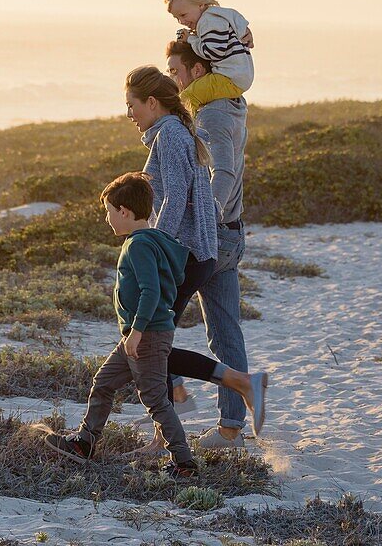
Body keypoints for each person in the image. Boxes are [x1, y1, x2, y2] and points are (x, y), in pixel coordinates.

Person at [124, 66, 267, 441]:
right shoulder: (175, 131)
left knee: (149, 341)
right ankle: (218, 417)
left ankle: (173, 414)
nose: (129, 115)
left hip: (185, 253)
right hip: (204, 247)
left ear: (152, 103)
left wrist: (154, 247)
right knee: (216, 335)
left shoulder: (169, 135)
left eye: (132, 105)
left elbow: (173, 198)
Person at [43, 172, 198, 477]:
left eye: (109, 212)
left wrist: (137, 331)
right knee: (103, 383)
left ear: (124, 212)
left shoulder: (139, 245)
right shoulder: (151, 240)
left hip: (146, 335)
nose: (107, 219)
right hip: (140, 334)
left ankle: (184, 463)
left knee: (155, 400)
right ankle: (84, 443)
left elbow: (151, 291)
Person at [165, 40, 253, 449]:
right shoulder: (230, 105)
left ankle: (175, 401)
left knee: (154, 318)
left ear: (197, 72)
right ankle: (231, 427)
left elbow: (224, 171)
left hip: (214, 234)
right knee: (224, 333)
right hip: (231, 234)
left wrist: (206, 215)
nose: (173, 79)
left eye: (176, 71)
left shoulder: (214, 114)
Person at [162, 0, 255, 114]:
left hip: (229, 78)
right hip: (238, 76)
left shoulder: (208, 21)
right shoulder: (220, 15)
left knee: (188, 96)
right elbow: (241, 24)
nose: (181, 21)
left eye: (183, 15)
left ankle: (187, 130)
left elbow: (214, 52)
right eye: (177, 18)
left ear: (200, 4)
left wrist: (191, 39)